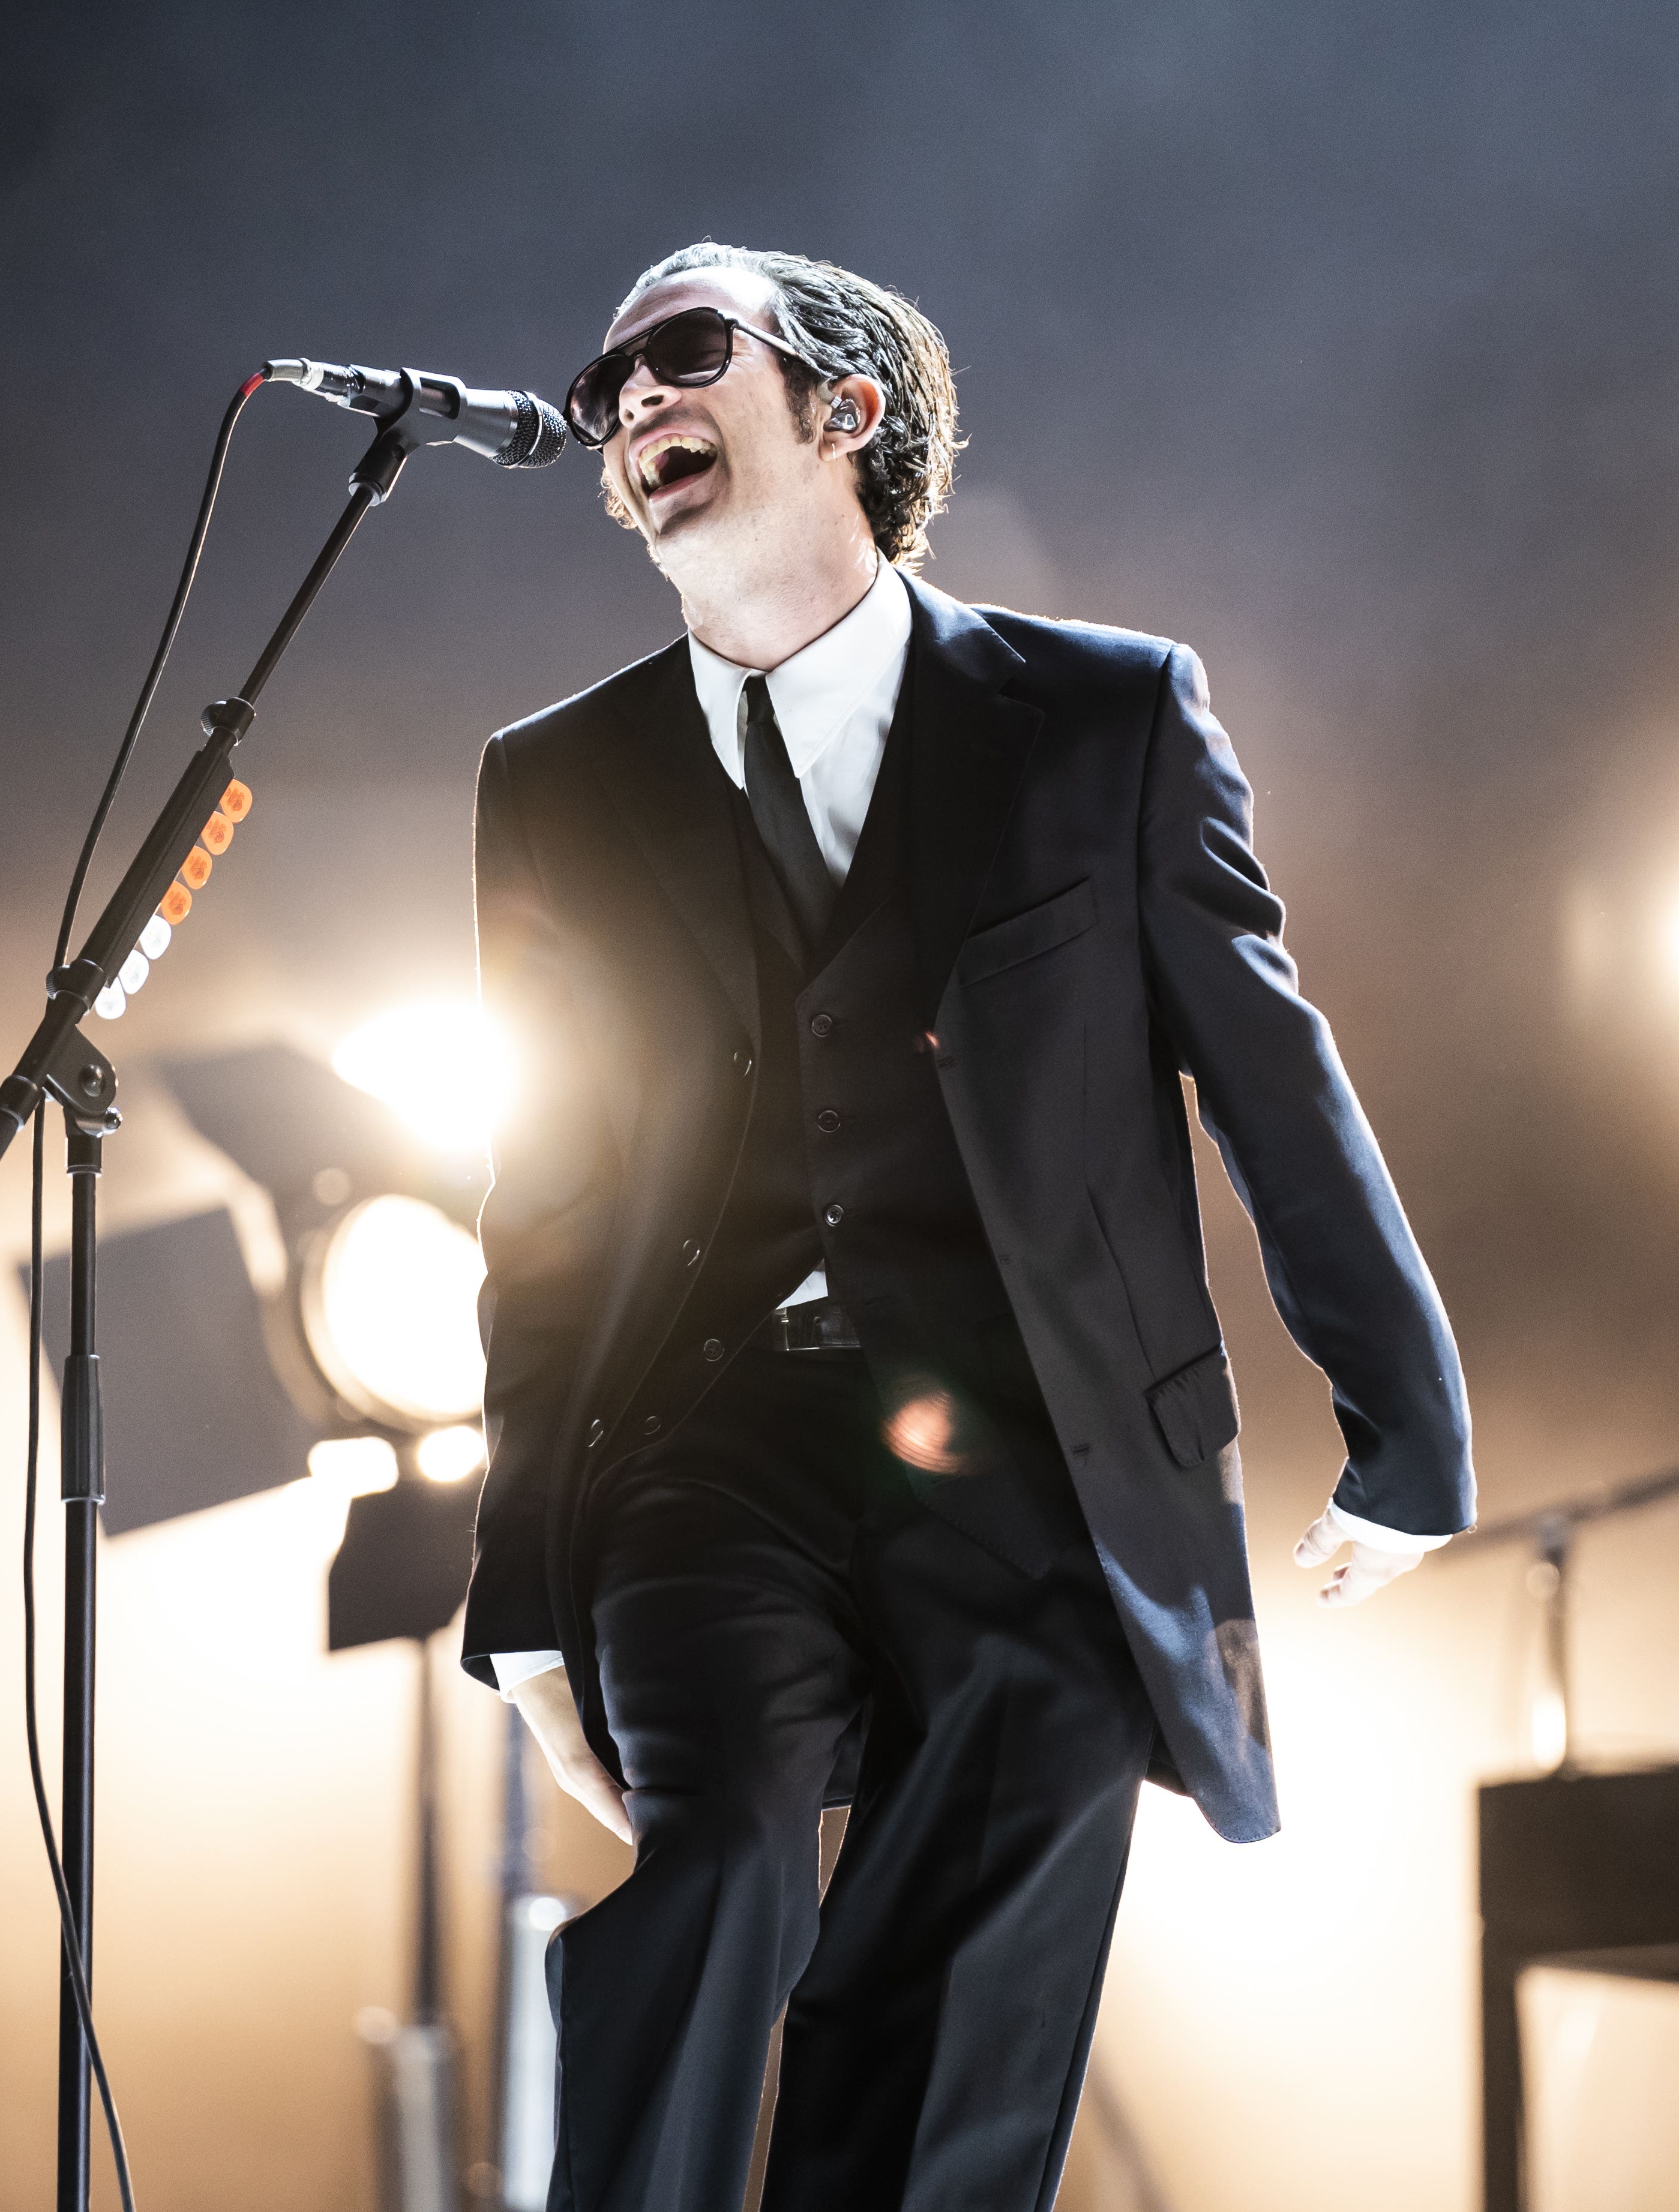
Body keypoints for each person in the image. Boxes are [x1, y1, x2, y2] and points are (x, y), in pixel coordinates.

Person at [459, 241, 1473, 2212]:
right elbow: (552, 1195)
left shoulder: (1102, 720)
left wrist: (1403, 1425)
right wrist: (517, 1591)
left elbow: (1266, 1074)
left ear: (844, 406)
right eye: (604, 393)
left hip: (1034, 1439)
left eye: (677, 353)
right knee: (727, 1860)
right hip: (704, 1438)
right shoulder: (553, 782)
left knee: (973, 1976)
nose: (629, 404)